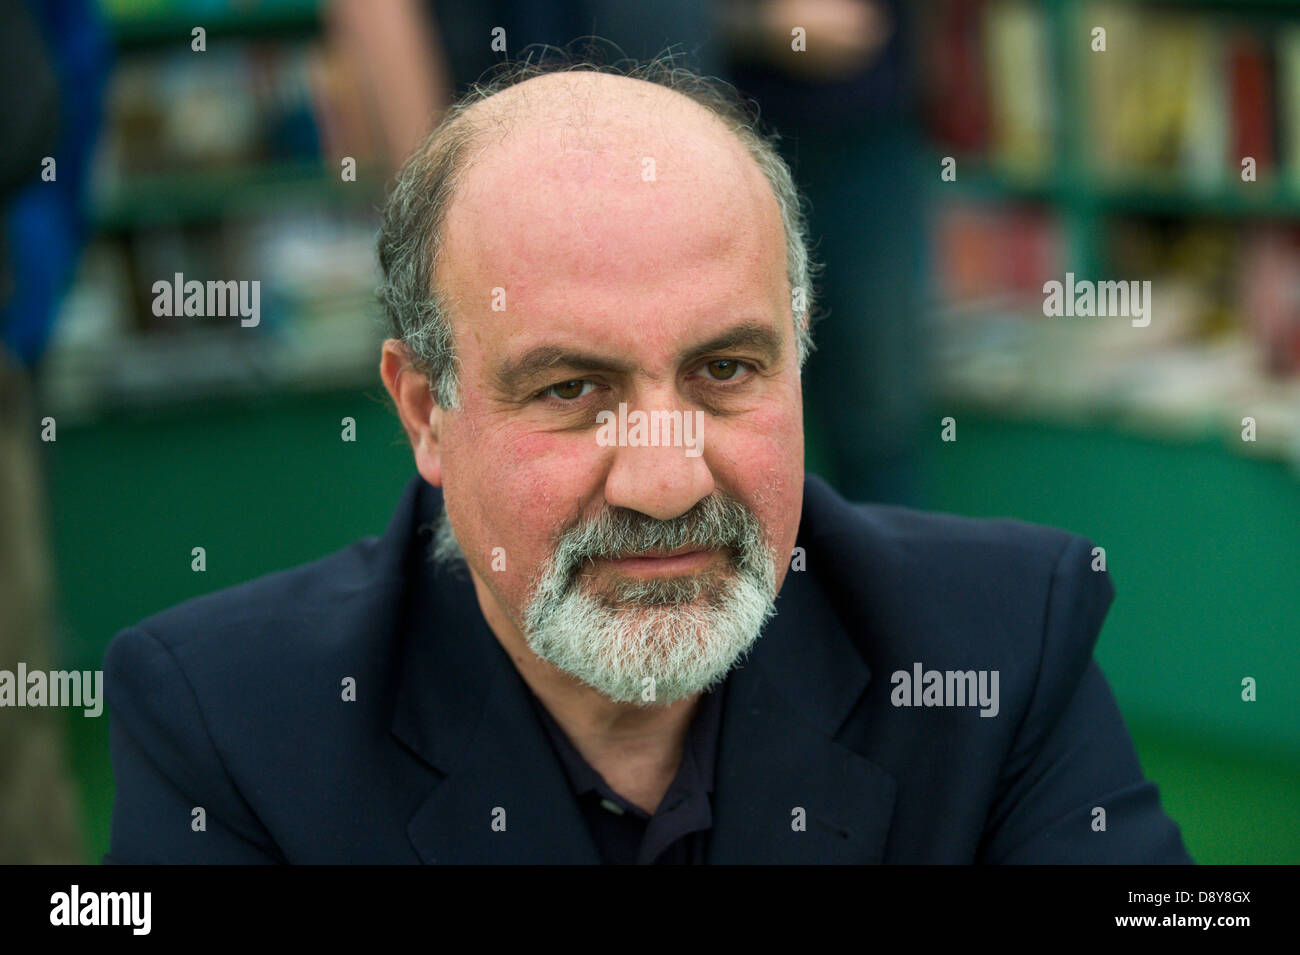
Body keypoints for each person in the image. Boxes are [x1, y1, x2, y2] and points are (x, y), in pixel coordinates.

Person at [103, 58, 1192, 864]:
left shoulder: (1002, 640)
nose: (665, 481)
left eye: (725, 369)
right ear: (426, 412)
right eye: (572, 390)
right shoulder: (229, 722)